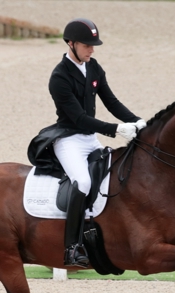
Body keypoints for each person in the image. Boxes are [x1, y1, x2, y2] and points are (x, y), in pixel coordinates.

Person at [47, 18, 145, 268]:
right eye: (87, 45)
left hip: (90, 138)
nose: (92, 50)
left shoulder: (94, 67)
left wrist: (138, 122)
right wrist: (117, 129)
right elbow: (79, 118)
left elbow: (111, 102)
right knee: (83, 182)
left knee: (113, 177)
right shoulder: (59, 77)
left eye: (94, 46)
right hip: (68, 139)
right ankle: (71, 248)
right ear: (71, 43)